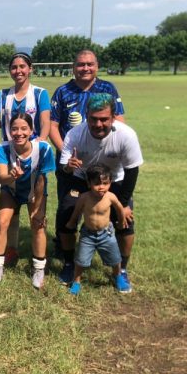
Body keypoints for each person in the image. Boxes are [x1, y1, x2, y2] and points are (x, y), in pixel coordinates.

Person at [57, 93, 143, 291]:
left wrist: (122, 205)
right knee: (65, 215)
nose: (98, 124)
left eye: (104, 119)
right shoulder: (75, 134)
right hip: (82, 180)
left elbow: (132, 171)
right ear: (86, 115)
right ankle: (69, 264)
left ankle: (121, 269)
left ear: (113, 117)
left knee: (126, 223)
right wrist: (70, 166)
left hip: (115, 182)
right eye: (93, 119)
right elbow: (64, 168)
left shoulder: (126, 135)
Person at [50, 49, 125, 268]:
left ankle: (106, 244)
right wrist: (67, 153)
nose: (85, 68)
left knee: (105, 201)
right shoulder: (63, 91)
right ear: (73, 67)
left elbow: (119, 120)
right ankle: (65, 248)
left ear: (97, 66)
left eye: (89, 64)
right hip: (72, 162)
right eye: (81, 64)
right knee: (68, 205)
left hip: (103, 161)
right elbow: (53, 126)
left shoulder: (107, 88)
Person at [0, 52, 51, 265]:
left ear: (30, 69)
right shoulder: (3, 96)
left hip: (32, 157)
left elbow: (45, 122)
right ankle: (11, 249)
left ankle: (37, 255)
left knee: (36, 210)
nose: (18, 70)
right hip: (8, 158)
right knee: (9, 211)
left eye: (22, 66)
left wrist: (39, 146)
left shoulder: (40, 93)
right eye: (14, 67)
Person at [0, 113, 55, 287]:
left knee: (38, 224)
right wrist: (12, 176)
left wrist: (37, 208)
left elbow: (41, 180)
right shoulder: (3, 148)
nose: (19, 133)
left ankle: (38, 269)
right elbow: (2, 178)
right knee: (2, 223)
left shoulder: (43, 149)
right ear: (10, 131)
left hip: (34, 191)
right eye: (15, 129)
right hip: (10, 190)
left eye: (24, 128)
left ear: (32, 130)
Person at [64, 164, 130, 295]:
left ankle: (118, 277)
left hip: (107, 234)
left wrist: (122, 221)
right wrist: (71, 223)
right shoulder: (84, 197)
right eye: (97, 183)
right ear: (89, 183)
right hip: (88, 235)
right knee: (80, 260)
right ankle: (76, 281)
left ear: (110, 183)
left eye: (105, 183)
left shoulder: (110, 197)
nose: (101, 187)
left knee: (116, 259)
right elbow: (77, 211)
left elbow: (119, 208)